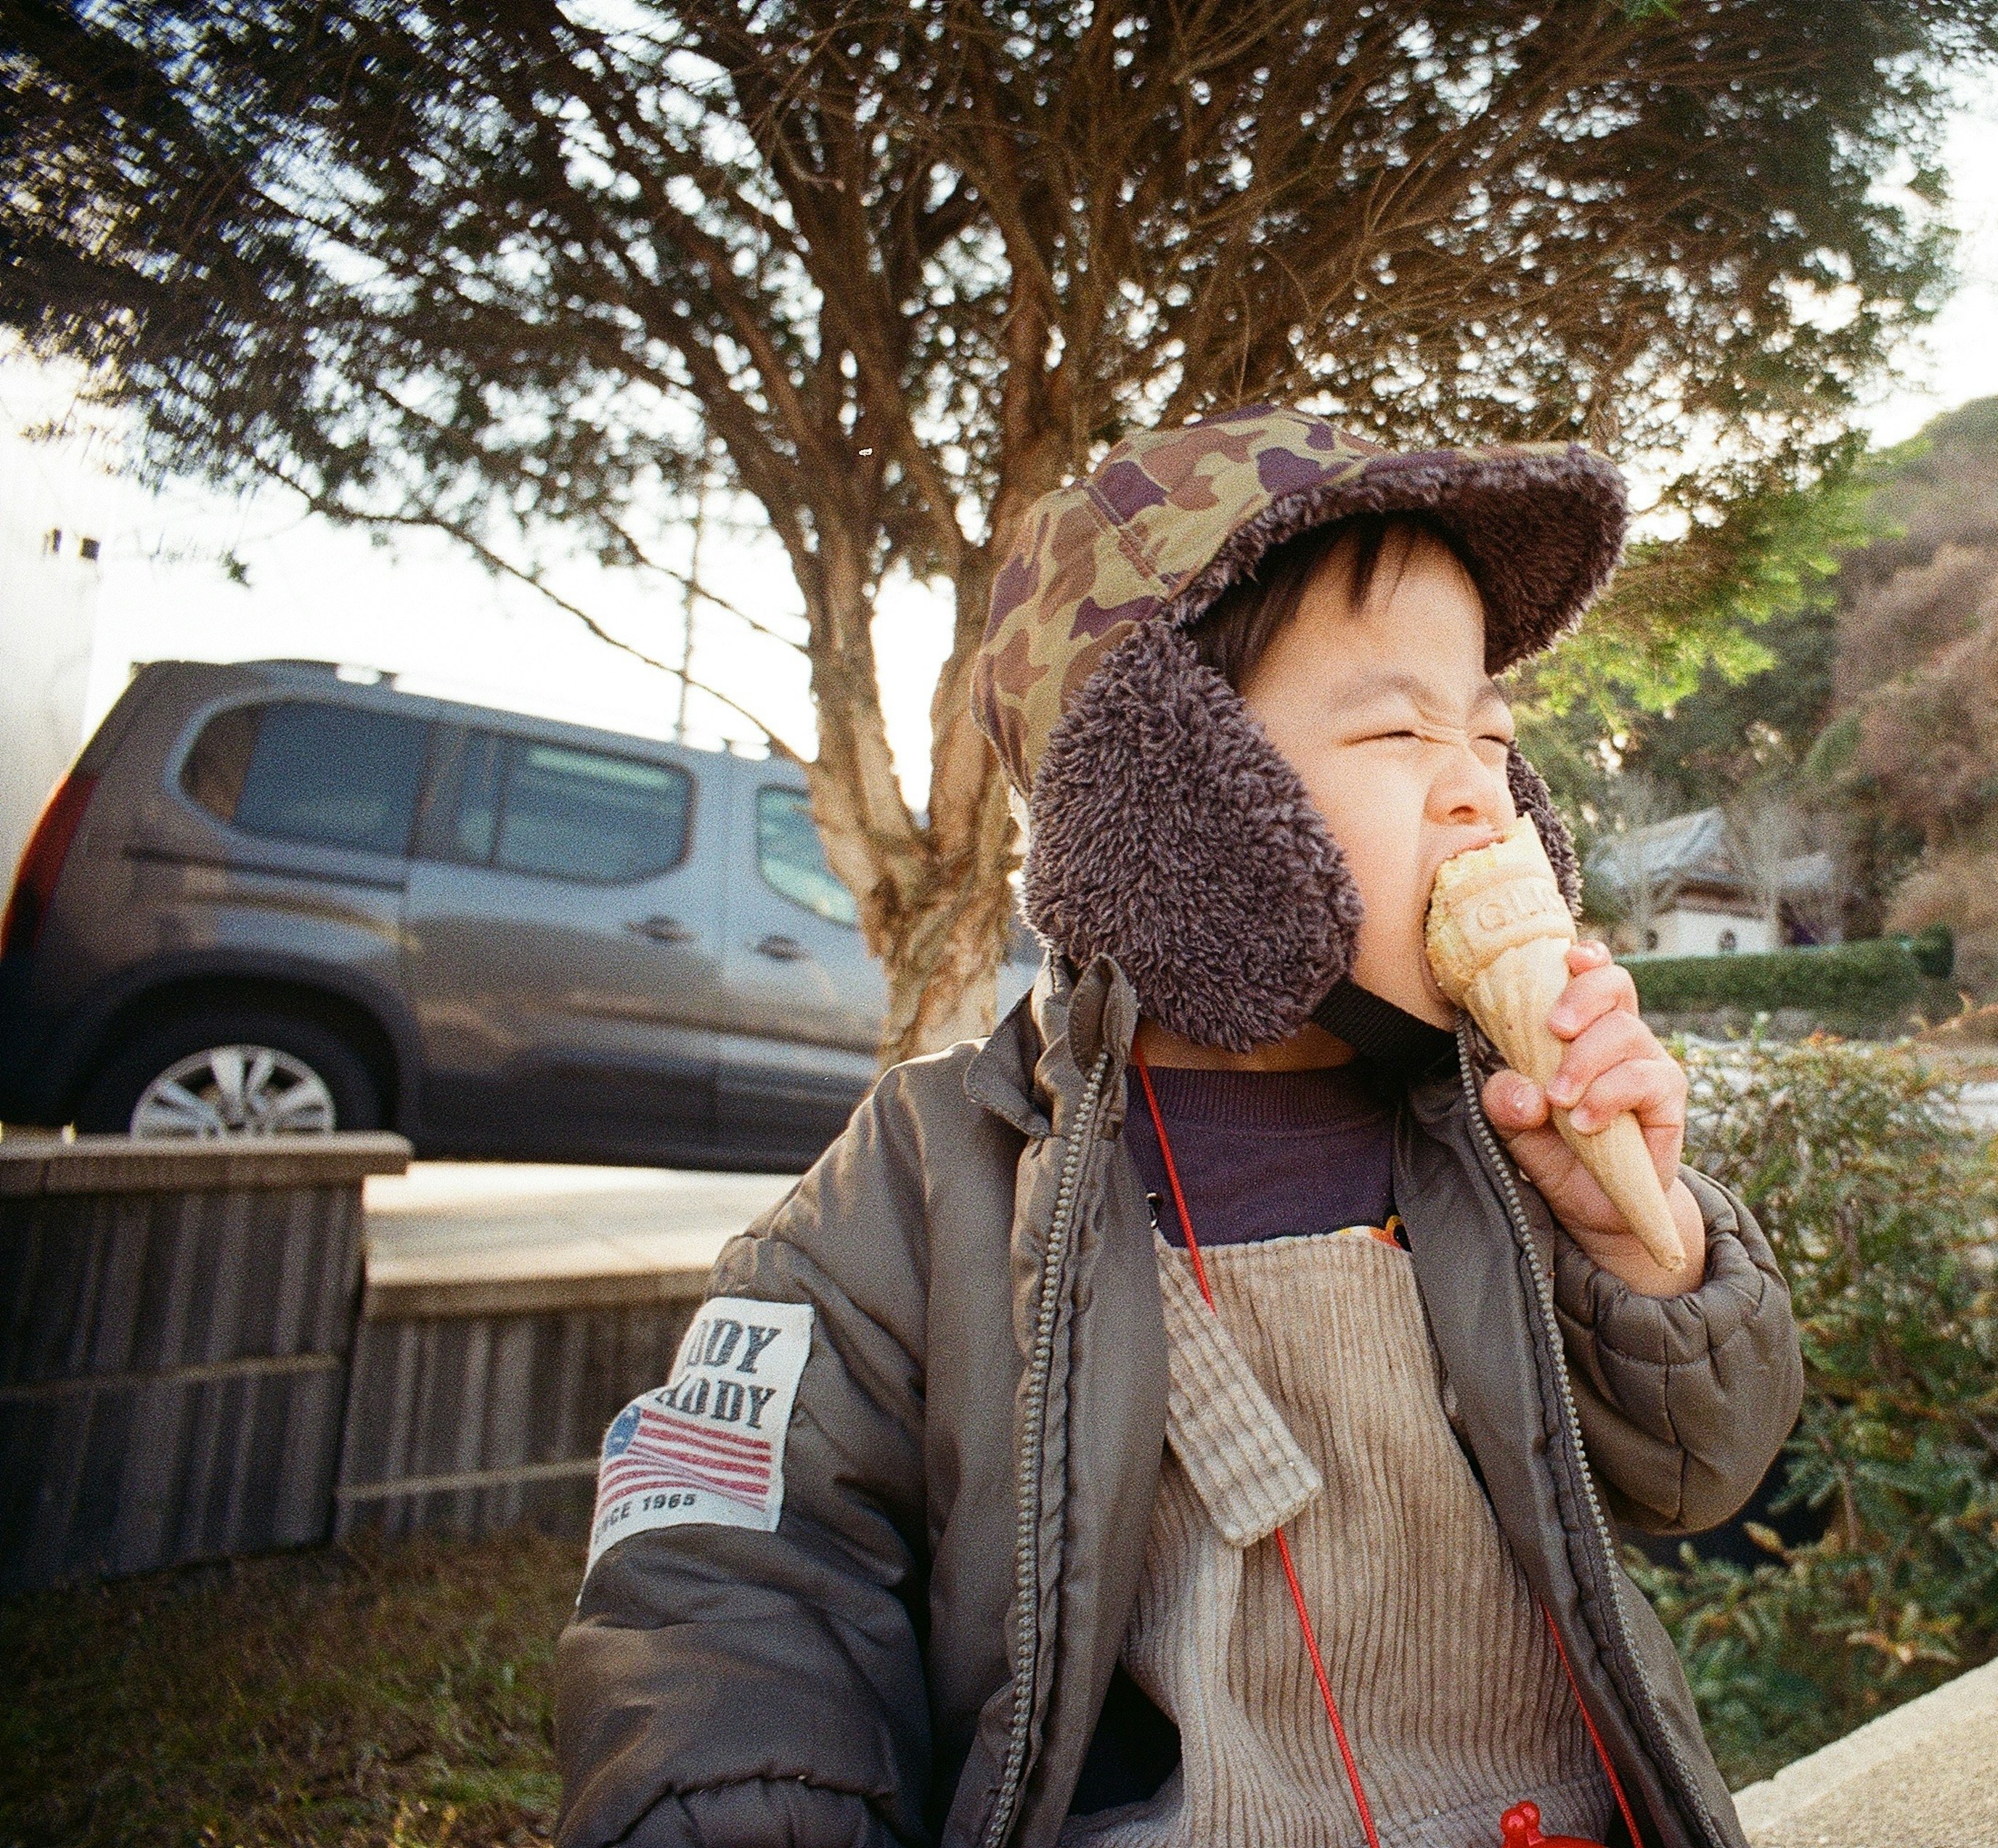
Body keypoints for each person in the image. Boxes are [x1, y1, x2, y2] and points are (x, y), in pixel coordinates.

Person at [555, 405, 1805, 1848]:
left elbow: (1703, 1469)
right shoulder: (925, 1183)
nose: (1483, 787)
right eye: (1400, 728)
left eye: (1492, 731)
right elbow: (725, 1583)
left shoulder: (1492, 1135)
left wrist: (1642, 1245)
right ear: (1171, 792)